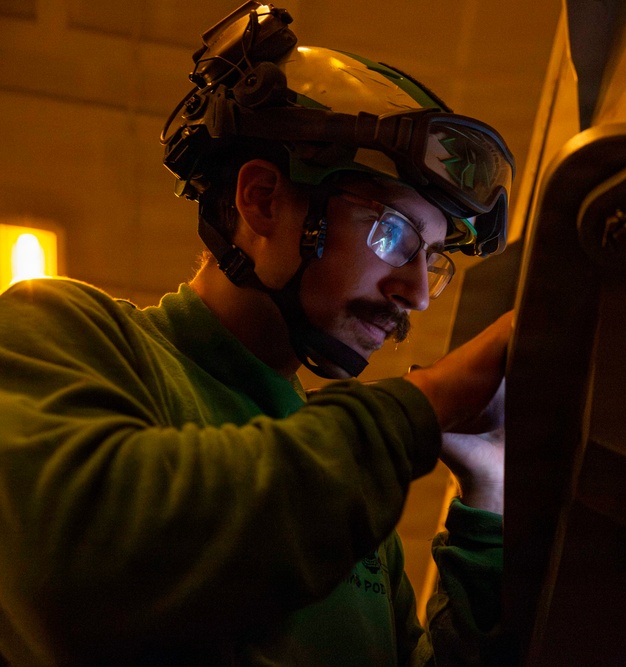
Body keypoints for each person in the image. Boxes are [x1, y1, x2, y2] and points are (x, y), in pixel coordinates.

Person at [0, 3, 515, 665]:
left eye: (433, 261)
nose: (415, 291)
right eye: (395, 235)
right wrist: (428, 403)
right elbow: (86, 572)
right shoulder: (68, 332)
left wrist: (488, 502)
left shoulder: (351, 500)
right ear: (263, 200)